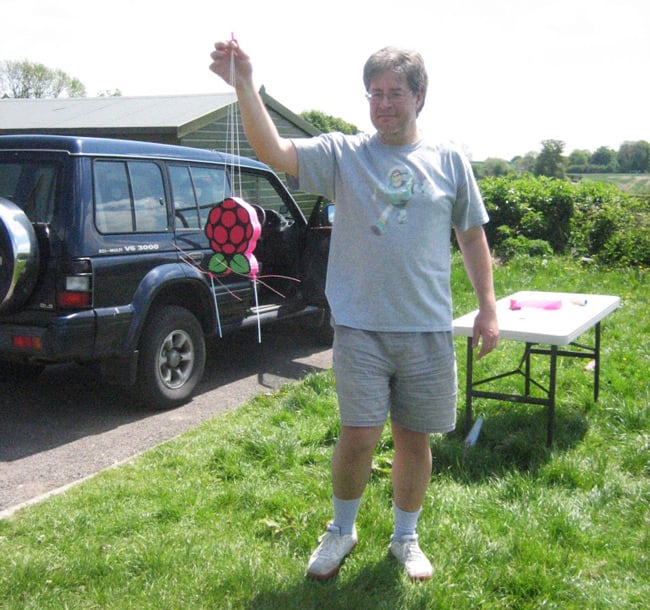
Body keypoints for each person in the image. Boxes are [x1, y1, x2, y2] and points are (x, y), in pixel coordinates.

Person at [209, 41, 499, 581]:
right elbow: (273, 151)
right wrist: (245, 84)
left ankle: (405, 538)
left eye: (395, 93)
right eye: (375, 94)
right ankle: (341, 530)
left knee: (414, 437)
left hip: (428, 328)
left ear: (419, 96)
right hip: (361, 326)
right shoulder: (345, 154)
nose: (384, 103)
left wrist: (487, 308)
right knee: (359, 434)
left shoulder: (450, 160)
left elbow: (472, 234)